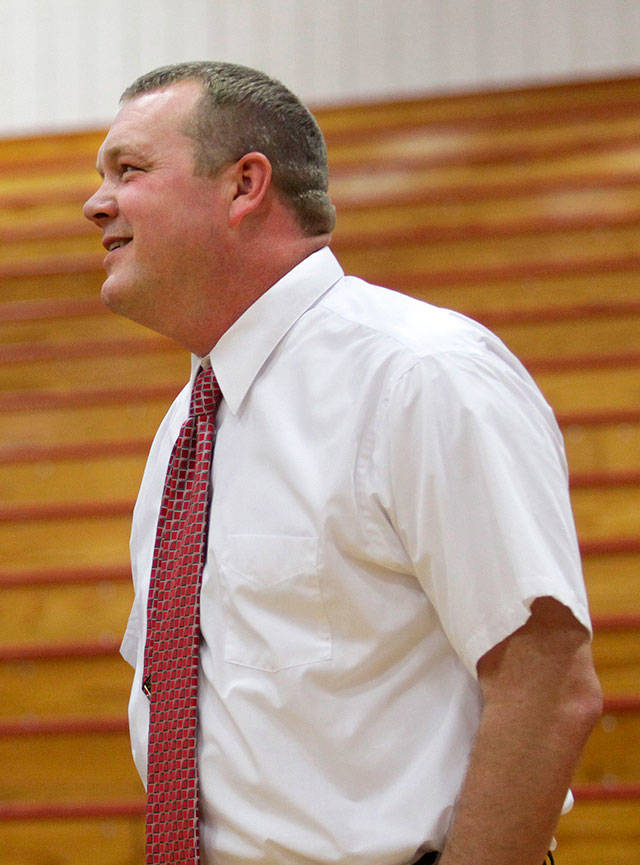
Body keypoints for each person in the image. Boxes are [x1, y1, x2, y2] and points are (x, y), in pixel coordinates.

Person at [83, 61, 602, 865]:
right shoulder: (186, 429)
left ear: (244, 185)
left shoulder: (421, 372)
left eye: (130, 170)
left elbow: (547, 684)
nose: (96, 202)